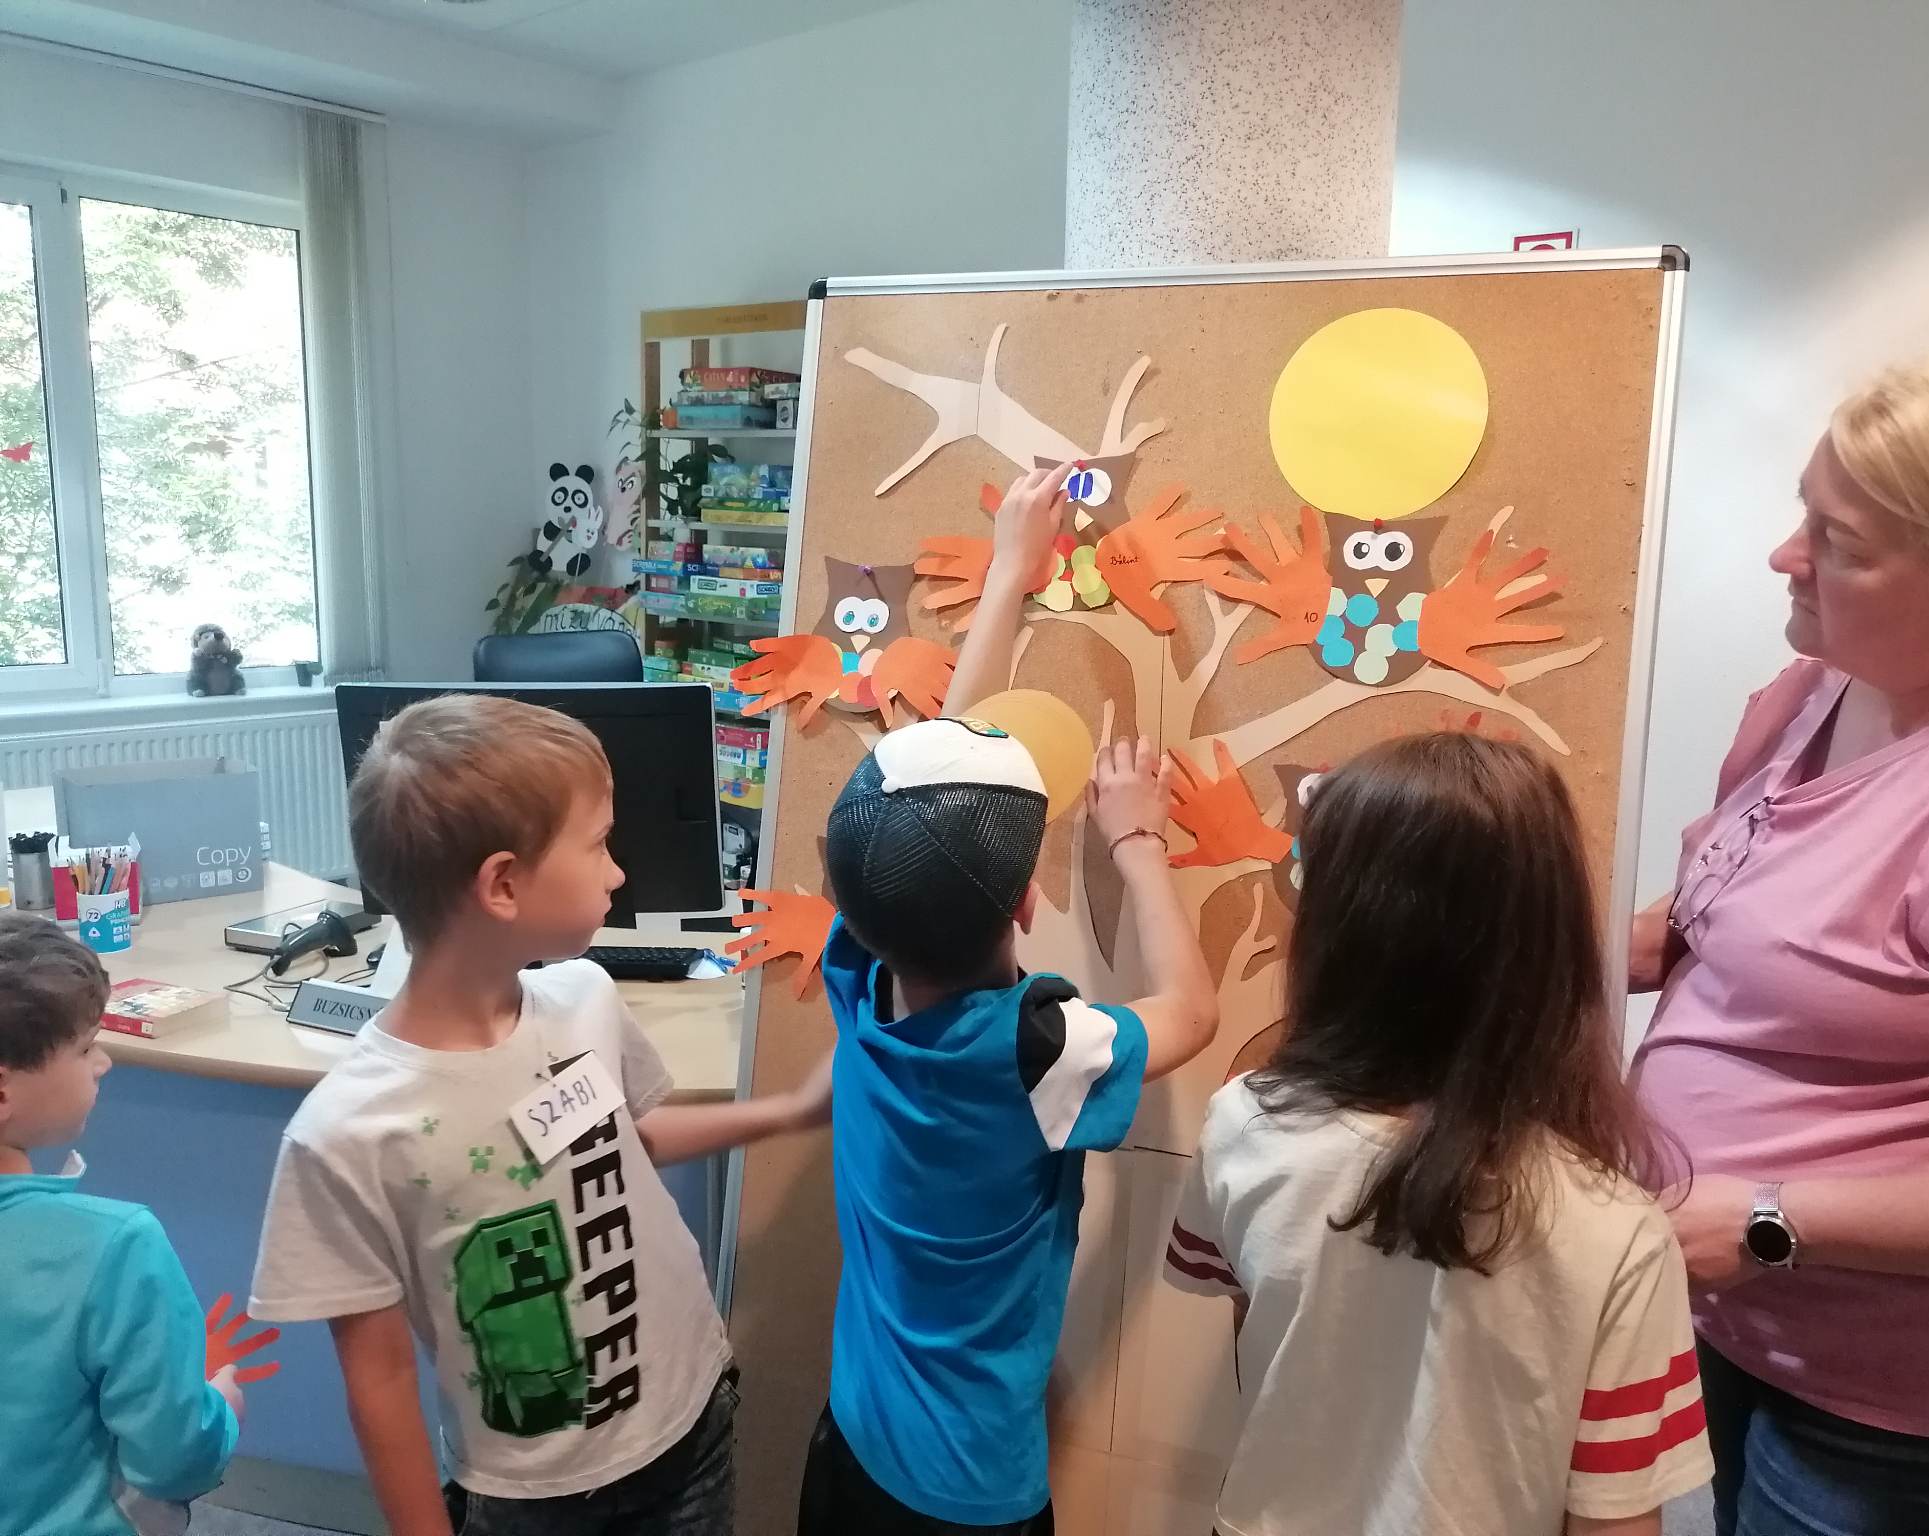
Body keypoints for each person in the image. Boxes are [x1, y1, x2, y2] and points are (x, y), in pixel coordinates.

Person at [1630, 344, 1929, 1536]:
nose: (1784, 556)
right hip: (1717, 1317)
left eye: (1839, 542)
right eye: (1801, 512)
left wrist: (1768, 1220)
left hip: (1887, 1404)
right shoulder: (1816, 685)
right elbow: (1732, 921)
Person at [249, 695, 830, 1536]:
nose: (617, 873)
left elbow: (626, 1141)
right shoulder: (345, 1135)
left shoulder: (584, 998)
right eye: (598, 845)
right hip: (533, 1497)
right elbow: (378, 1382)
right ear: (504, 884)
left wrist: (789, 1112)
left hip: (689, 1424)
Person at [795, 462, 1222, 1534]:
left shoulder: (861, 977)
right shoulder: (1038, 1051)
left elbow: (925, 792)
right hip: (969, 1494)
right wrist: (1138, 843)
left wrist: (1006, 579)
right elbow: (1190, 1013)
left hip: (851, 1441)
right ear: (1030, 903)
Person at [1168, 733, 1712, 1536]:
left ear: (1335, 933)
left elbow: (1263, 1340)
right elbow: (1615, 1520)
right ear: (1551, 943)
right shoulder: (1621, 1233)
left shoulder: (1243, 1123)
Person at [0, 912, 264, 1536]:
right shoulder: (115, 1247)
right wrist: (221, 1408)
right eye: (86, 1047)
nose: (104, 1063)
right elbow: (172, 1460)